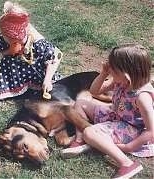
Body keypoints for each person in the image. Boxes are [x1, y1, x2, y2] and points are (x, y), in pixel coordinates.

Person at [61, 44, 154, 179]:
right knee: (81, 103)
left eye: (113, 70)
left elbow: (151, 131)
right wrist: (103, 73)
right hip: (117, 116)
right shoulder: (121, 81)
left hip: (132, 129)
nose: (110, 72)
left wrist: (129, 147)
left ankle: (127, 164)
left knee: (90, 131)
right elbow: (94, 91)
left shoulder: (142, 97)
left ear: (126, 76)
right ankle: (81, 139)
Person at [0, 1, 63, 100]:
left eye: (18, 40)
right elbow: (2, 52)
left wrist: (47, 80)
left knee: (41, 68)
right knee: (7, 61)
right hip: (18, 66)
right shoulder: (4, 37)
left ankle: (40, 81)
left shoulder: (38, 43)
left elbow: (56, 57)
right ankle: (18, 85)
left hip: (36, 65)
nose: (15, 42)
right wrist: (11, 50)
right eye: (11, 41)